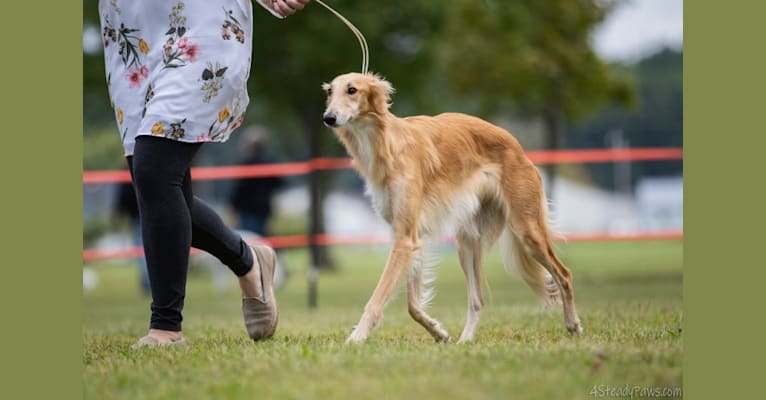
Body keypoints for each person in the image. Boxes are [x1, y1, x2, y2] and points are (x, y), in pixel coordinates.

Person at [98, 0, 311, 347]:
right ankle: (248, 260)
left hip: (201, 23)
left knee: (154, 172)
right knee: (159, 186)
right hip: (132, 35)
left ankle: (166, 328)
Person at [230, 128, 285, 237]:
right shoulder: (269, 162)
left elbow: (239, 189)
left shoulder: (247, 163)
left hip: (249, 209)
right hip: (262, 208)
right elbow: (279, 183)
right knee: (259, 237)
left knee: (250, 238)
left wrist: (233, 205)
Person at [114, 181, 150, 294]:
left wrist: (120, 211)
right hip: (143, 214)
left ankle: (149, 282)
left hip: (139, 215)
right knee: (148, 250)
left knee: (142, 250)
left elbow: (123, 196)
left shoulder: (129, 168)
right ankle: (151, 282)